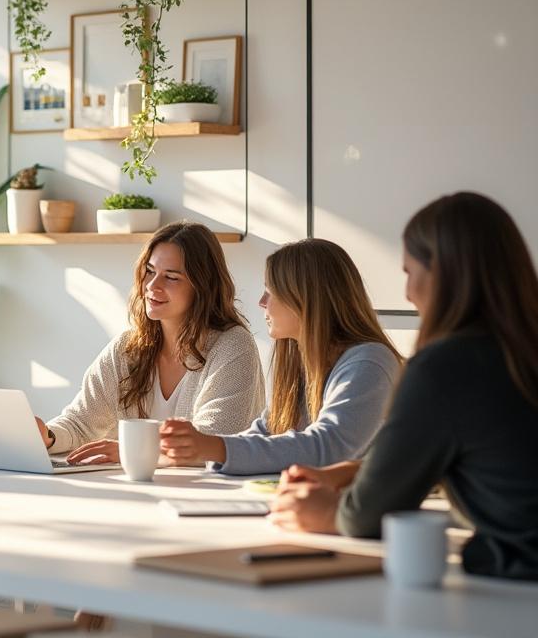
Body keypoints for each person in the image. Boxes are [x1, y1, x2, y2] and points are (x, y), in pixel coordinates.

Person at [270, 193, 538, 581]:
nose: (409, 293)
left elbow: (366, 517)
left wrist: (324, 513)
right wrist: (354, 472)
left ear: (443, 275)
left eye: (410, 273)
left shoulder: (445, 367)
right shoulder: (518, 350)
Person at [159, 239, 401, 474]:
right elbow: (267, 431)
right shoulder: (304, 366)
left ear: (304, 299)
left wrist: (216, 448)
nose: (262, 302)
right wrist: (197, 449)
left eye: (270, 291)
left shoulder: (370, 363)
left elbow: (329, 446)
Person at [38, 221, 265, 464]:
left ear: (202, 287)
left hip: (210, 494)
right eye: (149, 271)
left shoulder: (233, 345)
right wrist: (48, 436)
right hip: (140, 493)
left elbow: (216, 437)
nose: (152, 285)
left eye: (171, 277)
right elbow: (80, 422)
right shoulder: (125, 349)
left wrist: (133, 449)